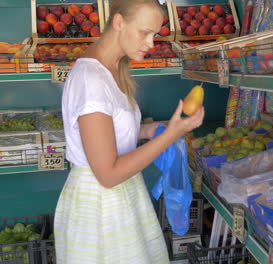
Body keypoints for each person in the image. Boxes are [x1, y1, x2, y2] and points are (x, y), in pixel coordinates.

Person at [54, 0, 204, 263]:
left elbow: (110, 134)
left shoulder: (112, 69)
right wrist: (171, 135)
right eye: (144, 32)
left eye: (155, 34)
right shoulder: (91, 80)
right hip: (100, 206)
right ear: (119, 22)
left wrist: (153, 130)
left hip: (121, 197)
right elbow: (108, 174)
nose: (150, 43)